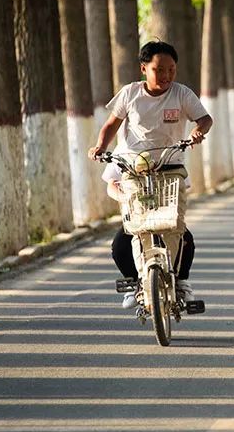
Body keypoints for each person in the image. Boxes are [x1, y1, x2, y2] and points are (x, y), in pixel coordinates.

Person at [88, 40, 213, 308]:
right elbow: (111, 125)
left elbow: (205, 119)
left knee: (180, 233)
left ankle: (181, 282)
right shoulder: (130, 94)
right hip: (134, 172)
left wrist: (198, 131)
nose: (166, 76)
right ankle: (135, 283)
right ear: (144, 68)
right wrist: (100, 146)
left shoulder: (181, 94)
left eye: (171, 69)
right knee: (123, 242)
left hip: (170, 169)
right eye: (159, 69)